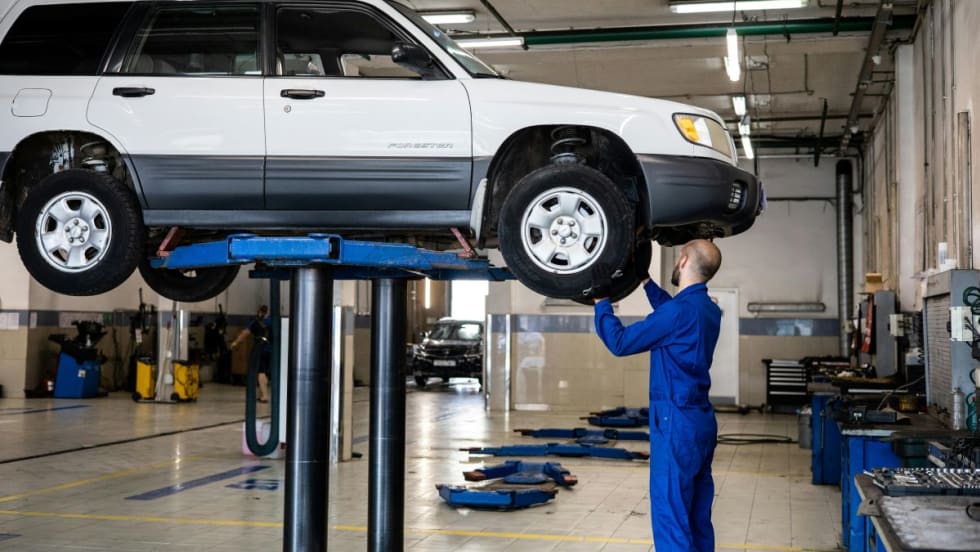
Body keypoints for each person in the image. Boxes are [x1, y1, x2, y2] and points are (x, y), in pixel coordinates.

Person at [591, 239, 722, 552]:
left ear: (684, 260)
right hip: (701, 423)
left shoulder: (677, 313)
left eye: (678, 257)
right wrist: (645, 281)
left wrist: (600, 301)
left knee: (671, 516)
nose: (677, 262)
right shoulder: (709, 310)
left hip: (675, 423)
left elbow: (620, 342)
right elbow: (671, 312)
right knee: (697, 516)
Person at [231, 305, 272, 403]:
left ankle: (265, 396)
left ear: (261, 312)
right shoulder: (273, 322)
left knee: (260, 372)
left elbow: (244, 334)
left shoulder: (255, 323)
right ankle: (262, 394)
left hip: (260, 349)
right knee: (265, 372)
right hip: (272, 350)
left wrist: (235, 342)